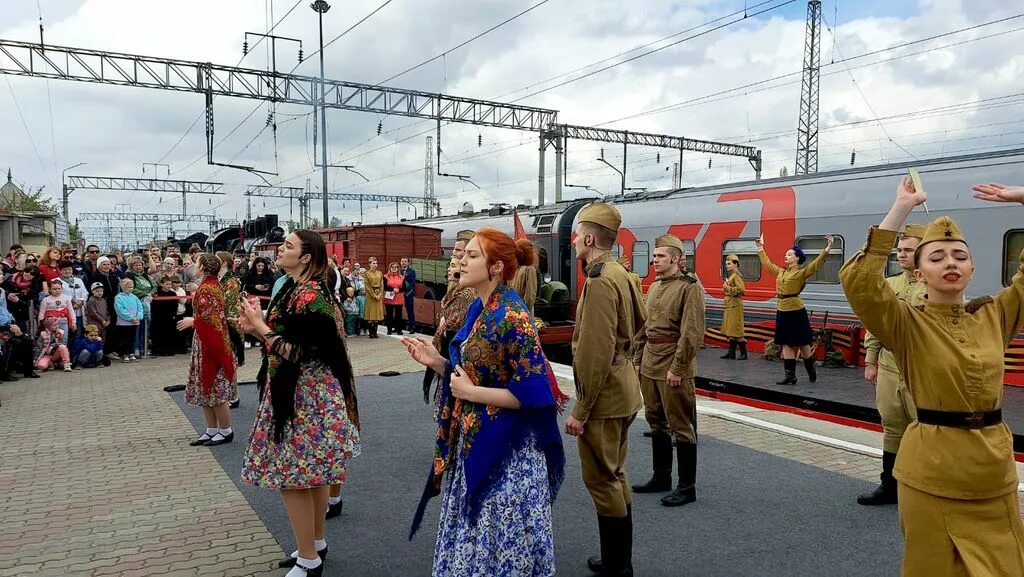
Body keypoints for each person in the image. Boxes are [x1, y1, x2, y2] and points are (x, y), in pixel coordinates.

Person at [839, 178, 1024, 576]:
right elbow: (860, 284)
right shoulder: (907, 324)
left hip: (993, 472)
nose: (950, 263)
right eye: (936, 257)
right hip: (931, 474)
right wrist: (900, 208)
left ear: (973, 269)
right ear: (918, 274)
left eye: (959, 255)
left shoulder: (995, 316)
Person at [403, 227, 565, 577]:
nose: (460, 260)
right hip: (478, 441)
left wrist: (473, 394)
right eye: (463, 254)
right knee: (480, 541)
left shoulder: (512, 316)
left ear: (495, 268)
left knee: (497, 545)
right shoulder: (482, 307)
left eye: (472, 255)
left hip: (507, 454)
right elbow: (474, 374)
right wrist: (437, 362)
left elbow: (537, 397)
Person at [238, 231, 360, 577]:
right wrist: (255, 328)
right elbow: (287, 339)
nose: (280, 250)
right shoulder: (299, 289)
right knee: (314, 474)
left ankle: (308, 559)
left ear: (306, 257)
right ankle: (315, 544)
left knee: (292, 477)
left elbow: (299, 353)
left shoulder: (309, 296)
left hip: (304, 396)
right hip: (306, 394)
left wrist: (261, 328)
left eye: (288, 246)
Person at [567, 202, 646, 577]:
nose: (572, 240)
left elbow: (593, 353)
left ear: (588, 237)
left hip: (605, 397)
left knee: (601, 478)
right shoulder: (621, 273)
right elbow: (642, 323)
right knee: (615, 473)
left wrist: (581, 411)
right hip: (625, 388)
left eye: (576, 233)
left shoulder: (600, 281)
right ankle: (618, 560)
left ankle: (618, 566)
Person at [631, 235, 705, 508]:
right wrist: (638, 360)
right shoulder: (654, 287)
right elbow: (644, 328)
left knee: (681, 426)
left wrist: (679, 367)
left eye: (660, 256)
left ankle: (687, 487)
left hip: (673, 364)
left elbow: (692, 331)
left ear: (675, 259)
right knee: (655, 421)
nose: (654, 259)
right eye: (654, 255)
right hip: (650, 362)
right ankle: (661, 477)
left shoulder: (689, 288)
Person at [857, 223, 927, 507]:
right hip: (889, 364)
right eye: (899, 250)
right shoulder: (890, 284)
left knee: (924, 428)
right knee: (892, 425)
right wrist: (871, 359)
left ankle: (922, 488)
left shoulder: (936, 285)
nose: (901, 254)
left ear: (922, 251)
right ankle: (890, 485)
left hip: (921, 367)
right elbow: (875, 323)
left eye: (908, 250)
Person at [755, 232, 833, 385]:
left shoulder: (801, 273)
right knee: (785, 342)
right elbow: (768, 264)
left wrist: (828, 248)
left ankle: (811, 371)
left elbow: (815, 265)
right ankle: (790, 376)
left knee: (803, 344)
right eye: (786, 254)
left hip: (796, 311)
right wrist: (760, 249)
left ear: (797, 258)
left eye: (789, 254)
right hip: (782, 310)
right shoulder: (781, 272)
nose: (786, 257)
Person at [177, 253, 236, 447]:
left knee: (215, 388)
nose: (194, 265)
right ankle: (211, 429)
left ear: (202, 266)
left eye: (196, 262)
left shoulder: (209, 287)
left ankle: (225, 430)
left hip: (210, 343)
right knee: (206, 386)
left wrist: (192, 321)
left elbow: (212, 318)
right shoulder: (210, 284)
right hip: (204, 341)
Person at [422, 256, 476, 407]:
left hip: (454, 349)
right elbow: (444, 316)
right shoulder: (455, 290)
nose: (448, 269)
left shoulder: (466, 294)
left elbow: (454, 323)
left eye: (452, 266)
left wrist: (444, 322)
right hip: (447, 344)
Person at [720, 254, 747, 360]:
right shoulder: (732, 275)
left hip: (735, 305)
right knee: (731, 329)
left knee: (736, 330)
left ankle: (743, 353)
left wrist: (727, 288)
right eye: (726, 264)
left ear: (735, 264)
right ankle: (731, 353)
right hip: (730, 305)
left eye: (729, 263)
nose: (727, 266)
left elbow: (741, 290)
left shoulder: (736, 275)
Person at [55, 261, 88, 338]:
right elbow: (58, 295)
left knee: (78, 334)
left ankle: (75, 349)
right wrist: (73, 301)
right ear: (60, 271)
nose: (67, 271)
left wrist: (81, 301)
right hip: (65, 313)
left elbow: (85, 292)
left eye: (69, 269)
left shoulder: (78, 280)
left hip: (79, 311)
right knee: (65, 335)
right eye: (65, 270)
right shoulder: (56, 281)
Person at [113, 278, 144, 363]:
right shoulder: (118, 297)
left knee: (132, 339)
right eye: (129, 287)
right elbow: (120, 310)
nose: (131, 289)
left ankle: (131, 353)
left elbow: (140, 308)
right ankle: (125, 354)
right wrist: (131, 318)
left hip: (134, 323)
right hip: (123, 323)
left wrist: (138, 317)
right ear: (123, 287)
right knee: (124, 339)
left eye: (132, 287)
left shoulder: (135, 297)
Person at [151, 276, 179, 356]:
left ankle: (170, 350)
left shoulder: (173, 294)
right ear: (162, 284)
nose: (169, 286)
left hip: (170, 317)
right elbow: (155, 306)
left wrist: (174, 314)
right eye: (166, 284)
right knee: (160, 334)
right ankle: (160, 350)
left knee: (170, 334)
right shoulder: (157, 294)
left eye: (170, 284)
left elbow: (175, 305)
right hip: (159, 317)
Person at [362, 257, 385, 338]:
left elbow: (382, 285)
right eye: (373, 263)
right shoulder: (367, 274)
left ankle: (375, 332)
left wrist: (380, 295)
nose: (375, 265)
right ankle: (370, 332)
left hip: (378, 293)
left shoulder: (380, 273)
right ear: (369, 264)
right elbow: (367, 286)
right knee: (370, 314)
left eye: (376, 263)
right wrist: (374, 295)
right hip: (370, 295)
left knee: (376, 314)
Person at [383, 262, 406, 335]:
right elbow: (384, 286)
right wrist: (393, 289)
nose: (394, 268)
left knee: (398, 315)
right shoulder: (386, 276)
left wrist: (398, 290)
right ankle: (389, 329)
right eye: (392, 267)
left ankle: (399, 329)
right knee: (389, 315)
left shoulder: (402, 277)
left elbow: (404, 288)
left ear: (398, 268)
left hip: (399, 298)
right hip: (389, 298)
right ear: (390, 268)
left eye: (395, 267)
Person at [400, 257, 416, 333]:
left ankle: (412, 326)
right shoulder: (397, 271)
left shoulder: (412, 272)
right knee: (398, 311)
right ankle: (398, 327)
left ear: (408, 263)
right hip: (398, 294)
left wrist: (404, 290)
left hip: (408, 294)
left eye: (405, 261)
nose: (403, 263)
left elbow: (412, 283)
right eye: (402, 261)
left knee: (410, 310)